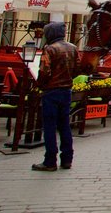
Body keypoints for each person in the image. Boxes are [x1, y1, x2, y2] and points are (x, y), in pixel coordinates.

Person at [32, 22, 80, 172]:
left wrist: (39, 85)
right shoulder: (73, 48)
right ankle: (67, 159)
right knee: (64, 125)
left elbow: (45, 71)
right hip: (66, 91)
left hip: (51, 91)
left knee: (50, 126)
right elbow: (77, 68)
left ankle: (50, 160)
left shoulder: (50, 49)